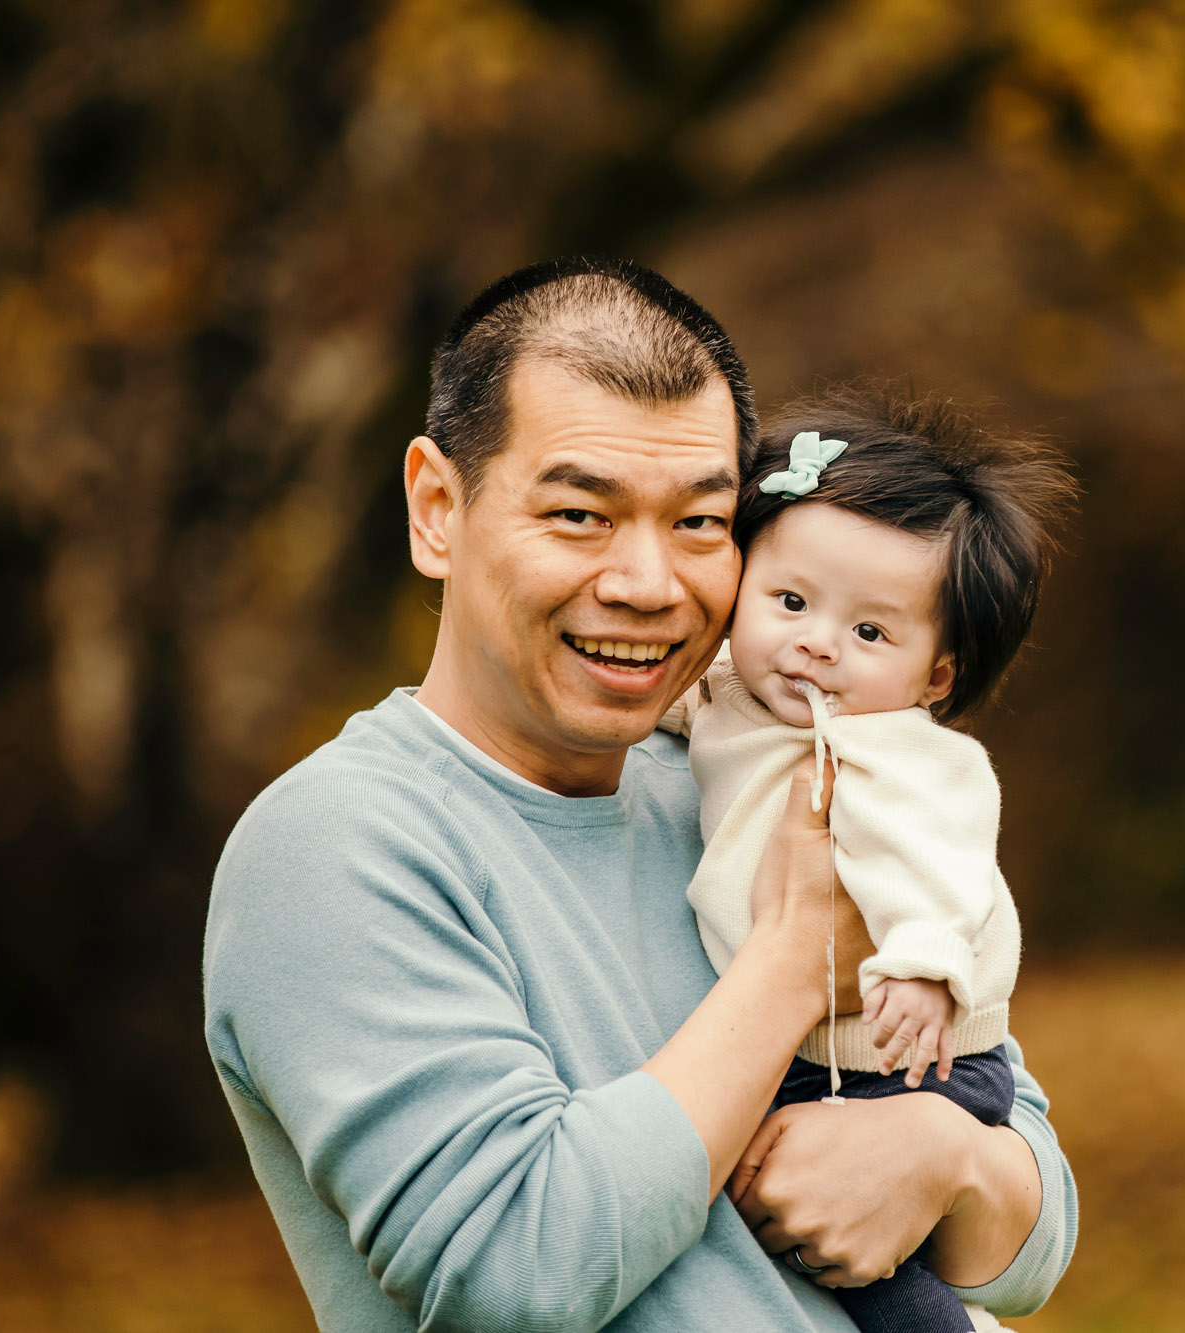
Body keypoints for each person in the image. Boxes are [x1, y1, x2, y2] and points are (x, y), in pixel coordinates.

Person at [201, 256, 1076, 1332]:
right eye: (579, 514)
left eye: (701, 523)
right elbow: (516, 1271)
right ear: (438, 508)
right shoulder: (336, 844)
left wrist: (941, 1159)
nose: (649, 583)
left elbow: (1034, 1224)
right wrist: (794, 959)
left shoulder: (745, 769)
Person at [661, 387, 1074, 1333]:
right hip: (810, 1056)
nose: (816, 644)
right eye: (792, 601)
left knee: (878, 1283)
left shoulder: (901, 750)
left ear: (935, 677)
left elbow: (940, 852)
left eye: (870, 632)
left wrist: (925, 958)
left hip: (908, 1060)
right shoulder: (732, 699)